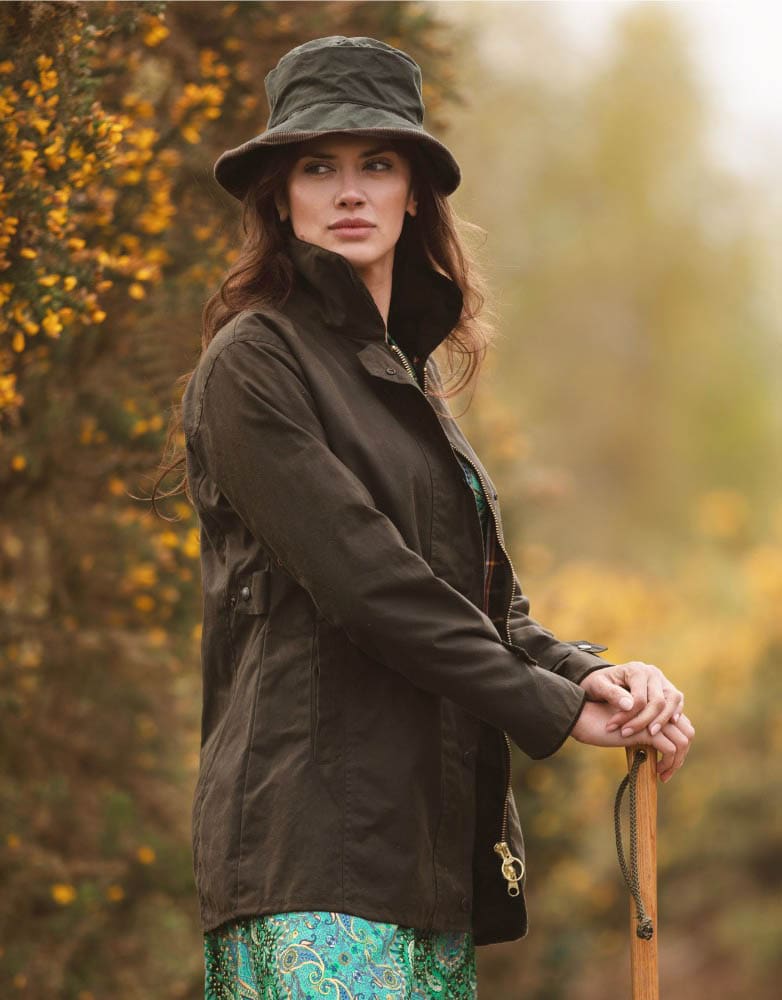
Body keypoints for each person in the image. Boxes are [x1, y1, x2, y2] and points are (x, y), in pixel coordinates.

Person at [176, 35, 694, 999]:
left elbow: (482, 605)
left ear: (416, 191)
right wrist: (554, 709)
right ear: (279, 195)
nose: (349, 190)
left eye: (378, 163)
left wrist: (596, 675)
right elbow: (373, 585)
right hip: (309, 860)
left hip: (427, 860)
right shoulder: (254, 364)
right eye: (317, 166)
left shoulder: (409, 387)